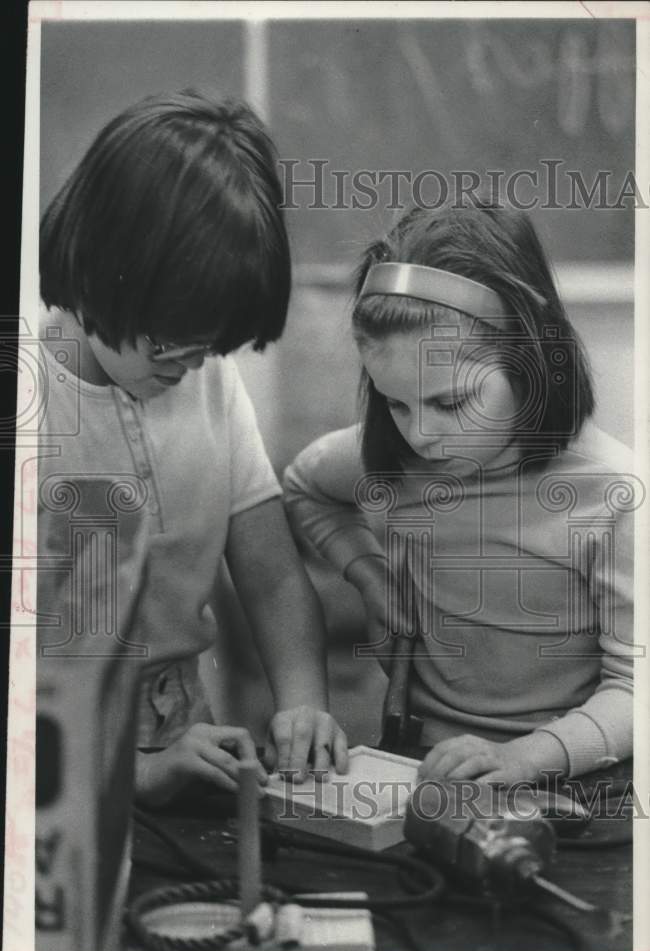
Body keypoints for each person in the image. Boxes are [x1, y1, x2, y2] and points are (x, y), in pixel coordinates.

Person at [37, 90, 348, 808]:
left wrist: (302, 701)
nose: (189, 365)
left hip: (185, 734)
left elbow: (272, 580)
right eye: (170, 341)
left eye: (209, 345)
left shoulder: (208, 382)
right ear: (99, 268)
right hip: (54, 782)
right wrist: (136, 774)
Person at [284, 201, 637, 785]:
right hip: (422, 777)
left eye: (451, 403)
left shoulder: (616, 495)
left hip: (573, 791)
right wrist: (369, 572)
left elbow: (636, 690)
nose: (422, 435)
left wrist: (525, 758)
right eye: (396, 403)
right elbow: (304, 488)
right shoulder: (395, 458)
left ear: (530, 362)